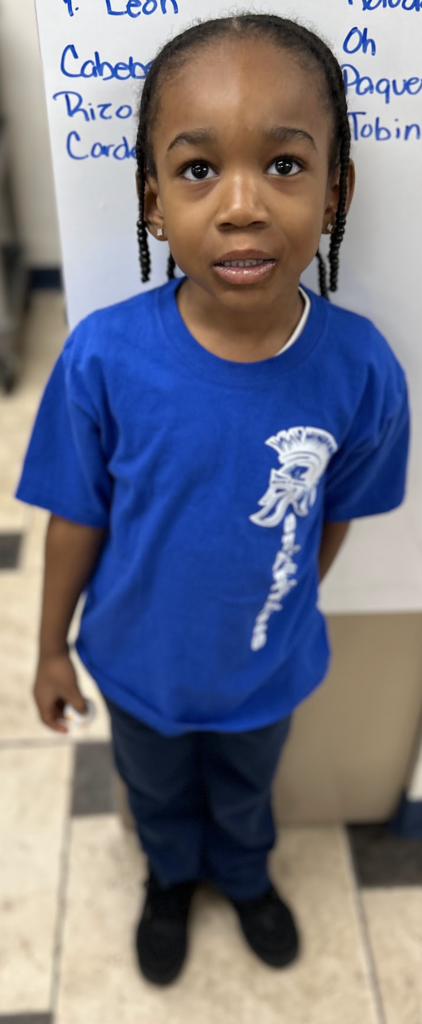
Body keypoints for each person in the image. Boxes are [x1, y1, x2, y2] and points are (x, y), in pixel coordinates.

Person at [15, 14, 410, 988]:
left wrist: (277, 604)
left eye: (283, 165)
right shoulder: (103, 357)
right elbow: (76, 513)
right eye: (197, 172)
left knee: (243, 789)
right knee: (153, 791)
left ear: (334, 189)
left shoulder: (360, 368)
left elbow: (338, 511)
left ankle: (240, 872)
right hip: (138, 668)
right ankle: (169, 878)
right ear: (151, 201)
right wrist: (50, 645)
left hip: (261, 671)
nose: (240, 206)